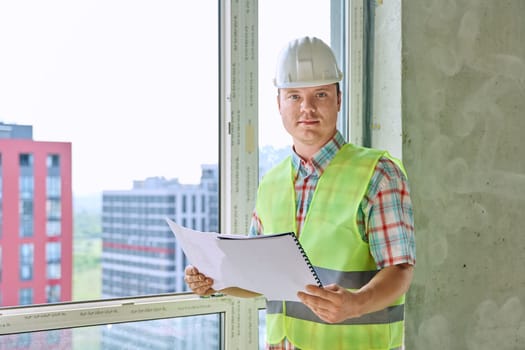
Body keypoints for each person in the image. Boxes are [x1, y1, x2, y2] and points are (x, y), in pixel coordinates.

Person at [185, 36, 415, 350]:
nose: (307, 107)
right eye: (294, 96)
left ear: (338, 99)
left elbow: (400, 270)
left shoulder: (378, 173)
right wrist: (216, 282)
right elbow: (260, 277)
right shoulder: (272, 182)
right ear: (278, 103)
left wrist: (355, 303)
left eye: (320, 94)